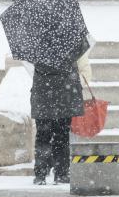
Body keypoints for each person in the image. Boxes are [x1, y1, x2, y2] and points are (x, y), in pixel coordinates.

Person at [31, 42, 87, 185]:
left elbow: (32, 64)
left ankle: (40, 174)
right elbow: (81, 55)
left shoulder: (36, 43)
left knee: (43, 137)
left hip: (43, 98)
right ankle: (61, 173)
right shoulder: (71, 42)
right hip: (64, 97)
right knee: (61, 137)